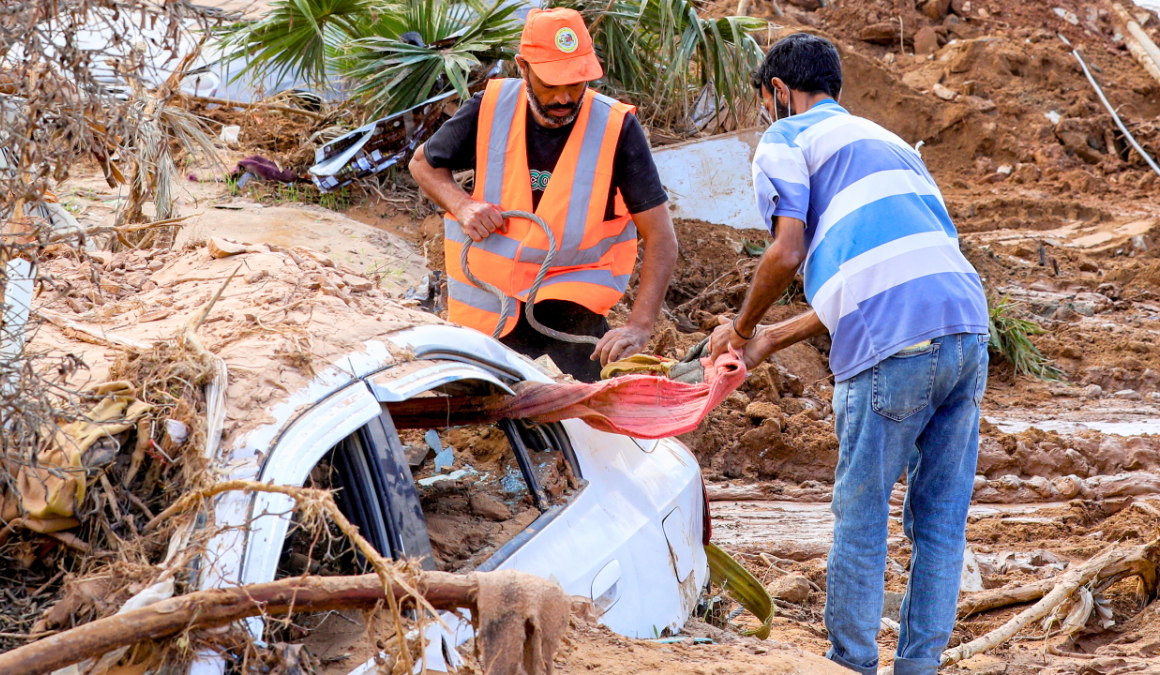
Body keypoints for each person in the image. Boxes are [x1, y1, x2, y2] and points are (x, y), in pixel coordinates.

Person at [708, 33, 990, 675]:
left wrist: (739, 323)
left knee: (861, 515)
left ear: (778, 91)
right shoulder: (889, 142)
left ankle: (853, 665)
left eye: (765, 100)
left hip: (894, 346)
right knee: (941, 524)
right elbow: (879, 270)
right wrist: (772, 337)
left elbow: (784, 252)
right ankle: (919, 667)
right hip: (966, 328)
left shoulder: (786, 137)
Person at [409, 8, 678, 383]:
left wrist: (638, 326)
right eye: (551, 83)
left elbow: (662, 237)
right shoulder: (490, 107)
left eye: (576, 82)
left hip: (568, 302)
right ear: (523, 67)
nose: (565, 96)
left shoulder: (616, 129)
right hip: (489, 302)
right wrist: (462, 204)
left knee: (581, 412)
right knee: (480, 414)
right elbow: (422, 163)